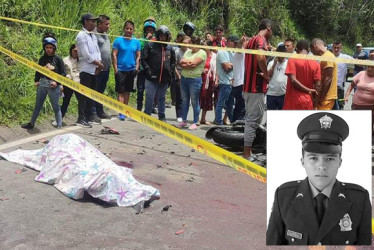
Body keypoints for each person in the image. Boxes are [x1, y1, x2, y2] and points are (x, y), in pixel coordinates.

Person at [267, 112, 371, 245]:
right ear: (302, 161)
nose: (321, 166)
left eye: (330, 158)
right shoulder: (284, 196)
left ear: (340, 162)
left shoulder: (359, 199)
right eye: (313, 158)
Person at [242, 19, 272, 159]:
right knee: (253, 122)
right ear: (268, 28)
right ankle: (247, 153)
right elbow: (260, 57)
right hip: (256, 87)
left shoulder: (251, 40)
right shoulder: (261, 40)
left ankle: (248, 151)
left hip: (248, 87)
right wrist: (266, 75)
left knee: (250, 120)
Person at [22, 35, 65, 129]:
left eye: (50, 47)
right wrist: (36, 80)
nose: (48, 49)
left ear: (54, 48)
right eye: (47, 47)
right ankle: (31, 123)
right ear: (44, 48)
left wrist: (57, 83)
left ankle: (59, 126)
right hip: (42, 84)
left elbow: (63, 73)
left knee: (56, 107)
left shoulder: (58, 59)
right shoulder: (42, 59)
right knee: (38, 105)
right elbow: (38, 71)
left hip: (53, 86)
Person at [141, 25, 176, 121]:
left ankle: (162, 115)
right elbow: (143, 59)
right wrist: (148, 70)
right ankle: (147, 114)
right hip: (151, 77)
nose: (162, 37)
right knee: (149, 97)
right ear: (158, 35)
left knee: (162, 98)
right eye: (161, 35)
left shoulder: (170, 48)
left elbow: (173, 62)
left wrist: (170, 73)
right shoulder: (150, 45)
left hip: (164, 78)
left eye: (164, 35)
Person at [75, 13, 103, 128]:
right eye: (92, 21)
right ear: (86, 22)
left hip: (94, 69)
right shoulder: (81, 36)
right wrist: (97, 63)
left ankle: (89, 116)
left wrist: (98, 65)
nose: (94, 23)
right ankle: (81, 118)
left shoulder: (93, 35)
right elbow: (86, 55)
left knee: (92, 94)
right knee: (83, 95)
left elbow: (97, 51)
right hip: (86, 69)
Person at [112, 20, 141, 121]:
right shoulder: (118, 40)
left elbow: (138, 56)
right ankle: (121, 112)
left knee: (128, 91)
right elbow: (114, 55)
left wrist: (136, 67)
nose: (129, 30)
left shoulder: (136, 42)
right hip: (120, 70)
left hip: (131, 70)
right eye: (127, 28)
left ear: (133, 30)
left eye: (131, 29)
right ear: (124, 29)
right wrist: (116, 69)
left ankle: (125, 110)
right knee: (121, 92)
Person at [178, 36, 207, 130]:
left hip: (194, 80)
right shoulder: (188, 51)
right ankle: (184, 121)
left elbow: (194, 64)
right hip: (184, 78)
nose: (189, 45)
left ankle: (195, 122)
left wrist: (186, 63)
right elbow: (181, 62)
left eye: (191, 43)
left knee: (194, 101)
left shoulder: (202, 53)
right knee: (184, 101)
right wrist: (188, 63)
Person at [283, 40, 321, 110]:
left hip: (293, 101)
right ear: (309, 50)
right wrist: (315, 105)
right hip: (308, 101)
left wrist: (308, 90)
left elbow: (293, 80)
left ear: (297, 49)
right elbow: (318, 85)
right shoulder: (316, 64)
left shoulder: (293, 59)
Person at [344, 59, 374, 132]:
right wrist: (347, 96)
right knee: (355, 124)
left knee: (368, 126)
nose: (369, 68)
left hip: (370, 107)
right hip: (356, 105)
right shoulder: (361, 73)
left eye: (372, 67)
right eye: (368, 66)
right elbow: (351, 85)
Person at [214, 35, 238, 125]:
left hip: (231, 82)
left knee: (230, 105)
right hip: (225, 82)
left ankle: (229, 121)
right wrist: (234, 64)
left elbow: (233, 65)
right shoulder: (222, 52)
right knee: (221, 103)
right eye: (234, 43)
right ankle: (219, 122)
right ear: (228, 41)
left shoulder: (232, 52)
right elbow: (227, 67)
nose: (235, 45)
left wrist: (232, 64)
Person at [310, 38, 338, 110]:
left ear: (314, 46)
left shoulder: (327, 57)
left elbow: (328, 80)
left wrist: (319, 99)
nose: (313, 53)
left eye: (312, 50)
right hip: (327, 96)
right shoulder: (327, 56)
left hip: (326, 98)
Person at [137, 17, 157, 112]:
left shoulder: (157, 40)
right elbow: (140, 47)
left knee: (151, 90)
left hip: (151, 68)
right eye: (148, 30)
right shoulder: (141, 40)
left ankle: (151, 106)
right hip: (141, 68)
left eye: (151, 30)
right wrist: (146, 39)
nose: (149, 32)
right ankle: (139, 107)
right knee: (140, 89)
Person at [93, 15, 111, 119]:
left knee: (101, 90)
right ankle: (93, 111)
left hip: (106, 68)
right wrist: (97, 65)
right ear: (99, 24)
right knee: (95, 90)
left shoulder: (105, 34)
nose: (108, 26)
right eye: (106, 24)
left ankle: (100, 110)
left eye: (109, 24)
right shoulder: (94, 34)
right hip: (98, 68)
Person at [59, 44, 79, 122]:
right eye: (74, 51)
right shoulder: (65, 60)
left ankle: (82, 118)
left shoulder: (82, 60)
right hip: (68, 83)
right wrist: (61, 84)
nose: (76, 52)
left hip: (78, 83)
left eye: (77, 51)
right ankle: (59, 118)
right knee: (65, 101)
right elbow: (61, 73)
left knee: (81, 101)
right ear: (71, 50)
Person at [199, 40, 217, 125]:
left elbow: (216, 69)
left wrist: (216, 80)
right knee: (198, 98)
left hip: (209, 80)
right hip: (200, 78)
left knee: (206, 98)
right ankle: (196, 118)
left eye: (205, 45)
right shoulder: (200, 54)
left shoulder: (214, 56)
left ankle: (203, 118)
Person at [332, 41, 353, 110]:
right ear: (332, 48)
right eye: (334, 47)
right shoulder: (327, 57)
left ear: (341, 48)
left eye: (338, 48)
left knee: (340, 107)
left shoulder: (345, 57)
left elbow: (358, 62)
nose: (336, 49)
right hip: (329, 87)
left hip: (339, 87)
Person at [266, 44, 288, 110]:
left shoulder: (288, 63)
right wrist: (274, 65)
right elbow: (268, 76)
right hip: (271, 94)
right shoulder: (271, 63)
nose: (280, 56)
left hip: (283, 94)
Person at [174, 36, 190, 122]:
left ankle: (185, 115)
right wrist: (178, 76)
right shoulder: (177, 52)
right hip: (179, 76)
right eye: (184, 42)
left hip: (188, 76)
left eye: (187, 43)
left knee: (186, 98)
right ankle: (179, 115)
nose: (185, 44)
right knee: (179, 97)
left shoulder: (190, 52)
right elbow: (174, 66)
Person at [229, 38, 246, 122]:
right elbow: (239, 48)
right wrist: (241, 42)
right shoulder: (240, 52)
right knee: (242, 107)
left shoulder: (244, 53)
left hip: (238, 83)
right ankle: (237, 124)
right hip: (240, 83)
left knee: (239, 106)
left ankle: (234, 122)